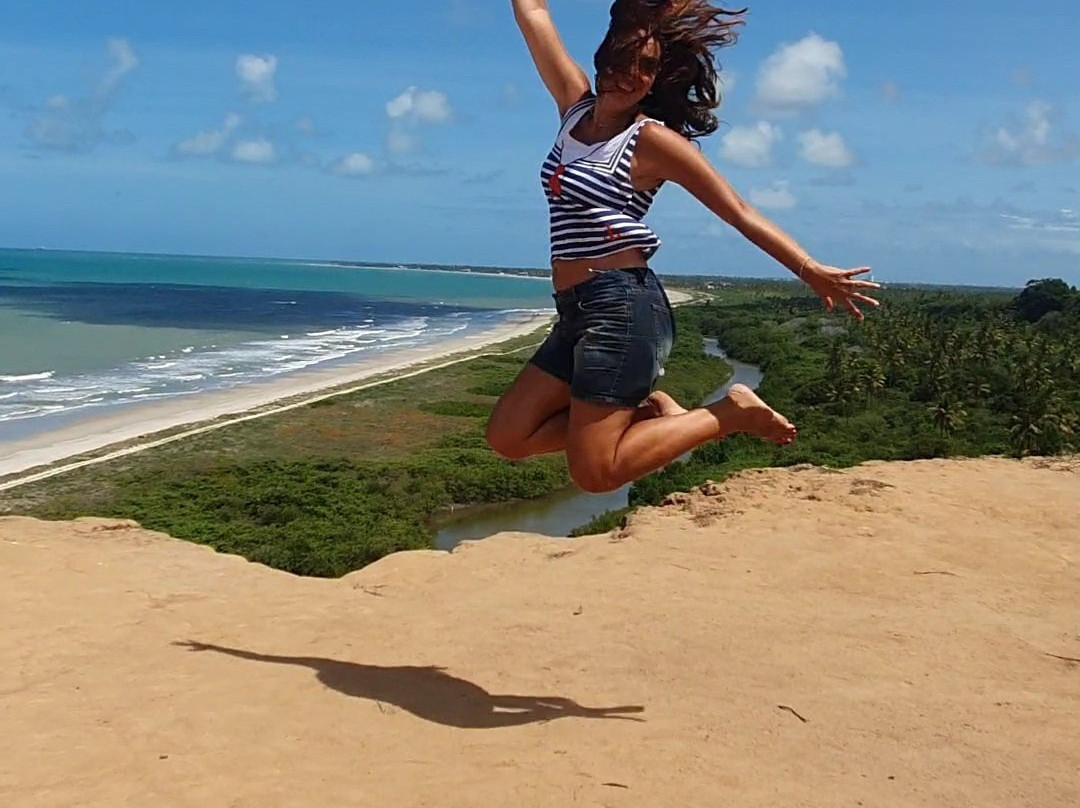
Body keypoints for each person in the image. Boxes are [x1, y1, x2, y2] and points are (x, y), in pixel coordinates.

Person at [486, 0, 879, 494]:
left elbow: (738, 210)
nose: (632, 74)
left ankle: (727, 413)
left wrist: (809, 269)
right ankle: (650, 414)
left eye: (647, 66)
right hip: (575, 308)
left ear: (657, 79)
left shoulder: (652, 140)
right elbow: (534, 14)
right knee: (509, 436)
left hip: (621, 308)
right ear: (604, 56)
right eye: (625, 59)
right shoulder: (574, 108)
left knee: (595, 474)